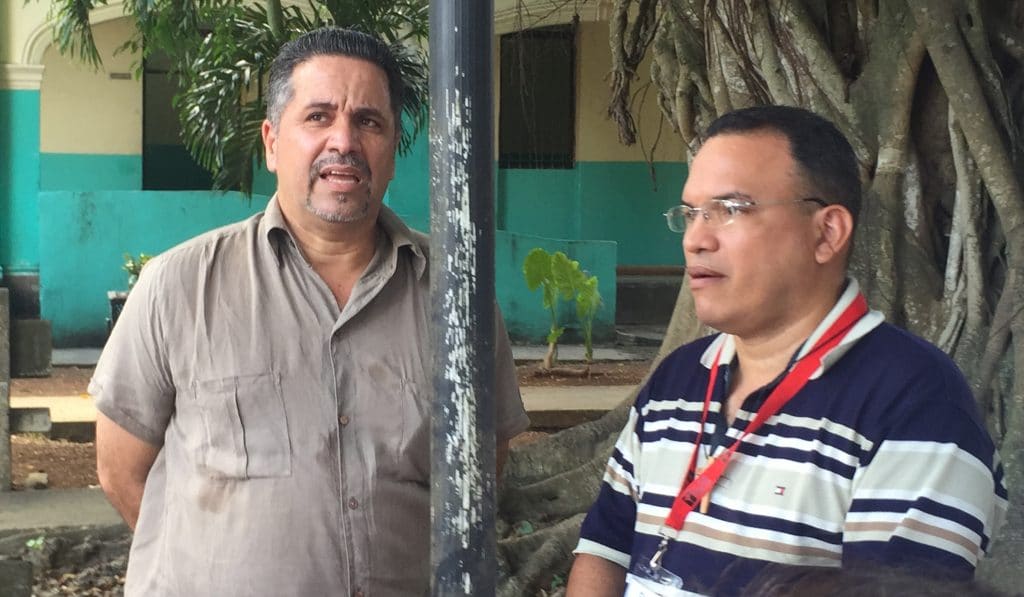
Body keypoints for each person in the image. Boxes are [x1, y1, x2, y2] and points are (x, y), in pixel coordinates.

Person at [91, 27, 530, 596]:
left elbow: (483, 467)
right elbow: (120, 472)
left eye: (368, 121)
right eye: (318, 116)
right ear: (273, 141)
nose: (343, 141)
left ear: (392, 148)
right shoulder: (179, 287)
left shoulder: (457, 296)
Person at [565, 105, 1007, 596]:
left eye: (729, 210)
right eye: (691, 214)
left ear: (826, 232)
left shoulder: (916, 405)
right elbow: (604, 548)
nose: (695, 240)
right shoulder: (678, 380)